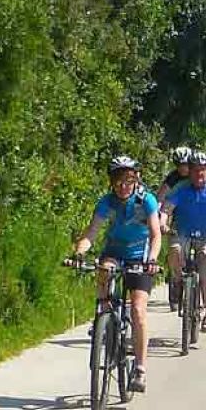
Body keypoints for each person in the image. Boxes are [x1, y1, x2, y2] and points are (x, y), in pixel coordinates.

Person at [72, 156, 161, 392]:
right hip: (114, 251)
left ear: (135, 180)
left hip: (139, 256)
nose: (123, 186)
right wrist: (79, 253)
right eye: (118, 181)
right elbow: (91, 233)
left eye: (128, 180)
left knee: (138, 310)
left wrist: (151, 259)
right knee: (104, 268)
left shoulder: (146, 200)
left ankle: (140, 369)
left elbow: (155, 234)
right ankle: (104, 316)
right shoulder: (106, 202)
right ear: (111, 182)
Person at [161, 152, 206, 334]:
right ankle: (176, 280)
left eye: (203, 170)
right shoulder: (181, 188)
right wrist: (163, 222)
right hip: (182, 232)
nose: (199, 174)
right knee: (174, 251)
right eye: (195, 170)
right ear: (189, 172)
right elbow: (167, 208)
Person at [158, 146, 195, 310]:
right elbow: (161, 196)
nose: (182, 168)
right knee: (175, 250)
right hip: (175, 212)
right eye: (179, 165)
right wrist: (158, 217)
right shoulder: (173, 177)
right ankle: (175, 281)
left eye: (185, 164)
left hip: (195, 212)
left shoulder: (197, 173)